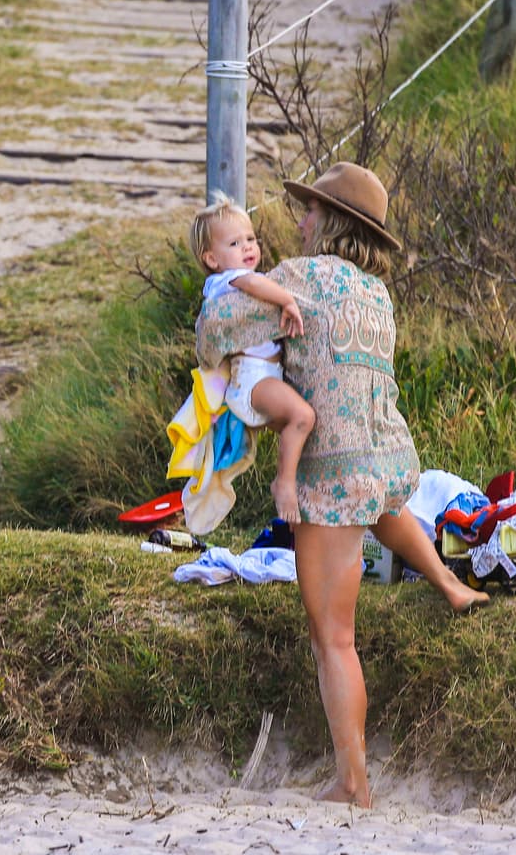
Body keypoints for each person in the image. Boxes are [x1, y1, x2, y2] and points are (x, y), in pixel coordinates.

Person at [195, 162, 488, 808]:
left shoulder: (300, 277)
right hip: (387, 456)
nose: (300, 221)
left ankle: (353, 783)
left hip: (331, 474)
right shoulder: (378, 294)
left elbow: (217, 330)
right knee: (381, 510)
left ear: (329, 221)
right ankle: (448, 583)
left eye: (309, 210)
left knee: (333, 638)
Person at [188, 191, 315, 522]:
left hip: (265, 377)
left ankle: (297, 502)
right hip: (253, 379)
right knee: (302, 417)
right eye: (234, 243)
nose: (247, 247)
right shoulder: (226, 281)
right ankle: (283, 484)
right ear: (212, 259)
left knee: (301, 433)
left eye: (250, 238)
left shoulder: (232, 282)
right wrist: (287, 301)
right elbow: (255, 284)